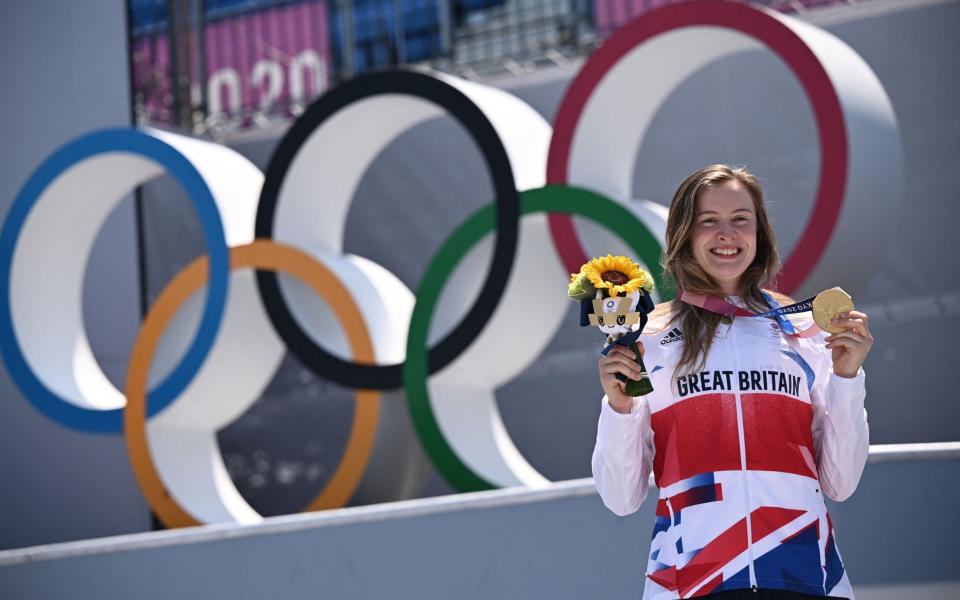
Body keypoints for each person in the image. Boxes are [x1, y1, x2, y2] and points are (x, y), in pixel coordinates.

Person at [592, 165, 873, 600]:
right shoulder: (646, 339)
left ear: (759, 231)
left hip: (804, 576)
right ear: (684, 234)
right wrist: (619, 409)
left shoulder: (803, 329)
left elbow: (841, 481)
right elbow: (620, 497)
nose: (727, 233)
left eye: (741, 219)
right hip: (692, 582)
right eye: (709, 221)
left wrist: (847, 378)